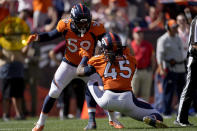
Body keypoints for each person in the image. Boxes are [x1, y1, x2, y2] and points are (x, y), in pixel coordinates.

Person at [27, 3, 116, 131]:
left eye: (86, 23)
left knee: (102, 91)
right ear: (73, 20)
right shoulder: (65, 25)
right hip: (68, 64)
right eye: (80, 23)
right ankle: (40, 123)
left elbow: (107, 42)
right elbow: (51, 35)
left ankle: (112, 120)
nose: (84, 26)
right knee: (53, 92)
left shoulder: (96, 27)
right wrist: (37, 37)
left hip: (87, 64)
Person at [76, 32, 168, 129]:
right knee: (158, 116)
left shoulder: (99, 60)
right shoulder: (131, 59)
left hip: (107, 100)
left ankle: (92, 122)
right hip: (128, 101)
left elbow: (79, 72)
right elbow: (128, 54)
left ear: (104, 47)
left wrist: (85, 57)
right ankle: (149, 117)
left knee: (91, 83)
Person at [156, 19, 186, 118]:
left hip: (181, 67)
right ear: (168, 28)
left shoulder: (178, 38)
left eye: (176, 27)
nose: (175, 29)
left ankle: (181, 112)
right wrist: (161, 68)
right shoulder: (163, 39)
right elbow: (159, 55)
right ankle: (166, 112)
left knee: (181, 91)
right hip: (170, 67)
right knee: (168, 90)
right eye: (173, 27)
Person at [174, 16, 197, 127]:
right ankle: (181, 119)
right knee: (189, 88)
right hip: (195, 59)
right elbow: (195, 45)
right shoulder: (196, 22)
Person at [131, 26, 155, 102]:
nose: (139, 34)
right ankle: (131, 111)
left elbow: (152, 58)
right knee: (133, 92)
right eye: (137, 33)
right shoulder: (130, 45)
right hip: (135, 71)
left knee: (146, 93)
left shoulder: (148, 45)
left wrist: (152, 71)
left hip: (146, 71)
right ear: (133, 35)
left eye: (141, 33)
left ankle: (145, 110)